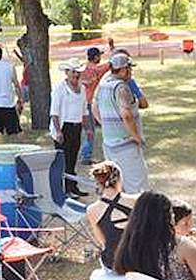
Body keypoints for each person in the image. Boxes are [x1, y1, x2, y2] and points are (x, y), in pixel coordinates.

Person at [95, 53, 149, 193]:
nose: (131, 72)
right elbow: (126, 115)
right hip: (126, 145)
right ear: (124, 69)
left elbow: (94, 107)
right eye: (129, 68)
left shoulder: (103, 85)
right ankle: (137, 214)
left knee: (117, 186)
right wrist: (136, 136)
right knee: (136, 186)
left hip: (109, 144)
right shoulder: (121, 87)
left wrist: (106, 125)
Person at [83, 162, 137, 271]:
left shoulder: (92, 210)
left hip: (112, 262)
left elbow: (102, 241)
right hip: (138, 259)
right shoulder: (136, 200)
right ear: (119, 179)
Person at [51, 60, 89, 196]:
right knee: (64, 159)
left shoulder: (82, 88)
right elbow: (54, 112)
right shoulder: (59, 88)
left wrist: (87, 128)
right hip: (64, 126)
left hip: (76, 126)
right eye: (73, 72)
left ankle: (73, 187)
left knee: (73, 158)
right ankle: (64, 189)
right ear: (67, 73)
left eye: (78, 72)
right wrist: (58, 131)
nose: (76, 75)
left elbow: (84, 110)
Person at [80, 47, 110, 164]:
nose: (100, 58)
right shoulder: (97, 69)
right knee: (90, 130)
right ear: (96, 57)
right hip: (87, 103)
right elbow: (111, 64)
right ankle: (86, 156)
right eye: (99, 56)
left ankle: (83, 153)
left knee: (84, 129)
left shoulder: (82, 68)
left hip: (78, 102)